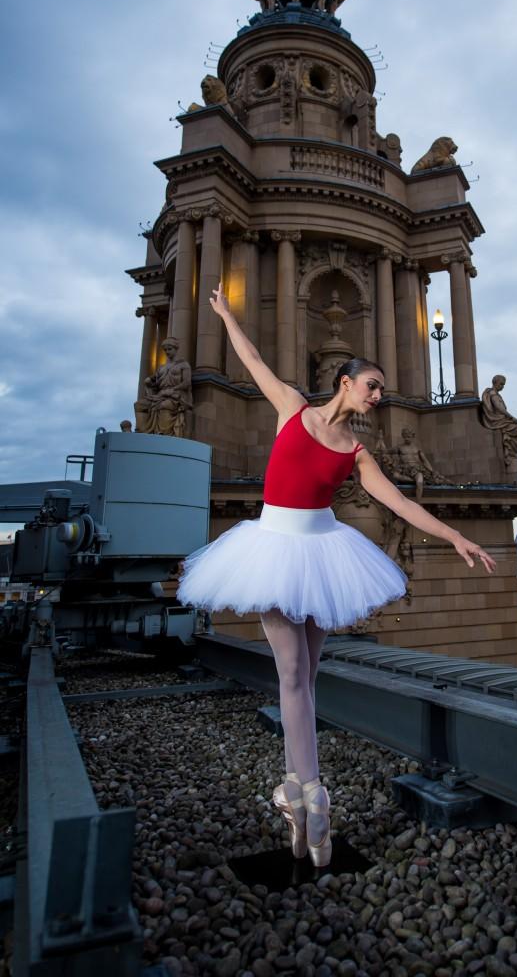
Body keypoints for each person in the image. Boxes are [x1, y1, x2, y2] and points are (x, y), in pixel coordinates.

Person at [176, 285, 495, 868]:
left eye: (381, 389)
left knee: (301, 678)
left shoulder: (355, 451)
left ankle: (306, 797)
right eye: (372, 385)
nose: (379, 395)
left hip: (323, 552)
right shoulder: (294, 408)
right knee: (297, 677)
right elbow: (252, 361)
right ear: (344, 382)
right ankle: (311, 797)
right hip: (276, 547)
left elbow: (400, 504)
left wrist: (454, 535)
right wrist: (223, 314)